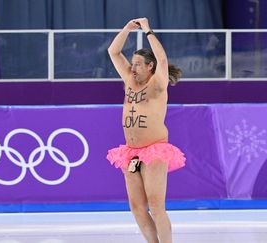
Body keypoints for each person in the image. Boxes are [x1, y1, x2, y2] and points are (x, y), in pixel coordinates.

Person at [106, 18, 186, 243]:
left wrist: (148, 30)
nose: (133, 67)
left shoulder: (158, 84)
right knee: (137, 207)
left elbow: (161, 58)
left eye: (138, 63)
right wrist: (126, 29)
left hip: (154, 150)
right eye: (133, 63)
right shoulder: (129, 79)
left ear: (150, 66)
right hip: (131, 152)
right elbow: (113, 52)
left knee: (156, 205)